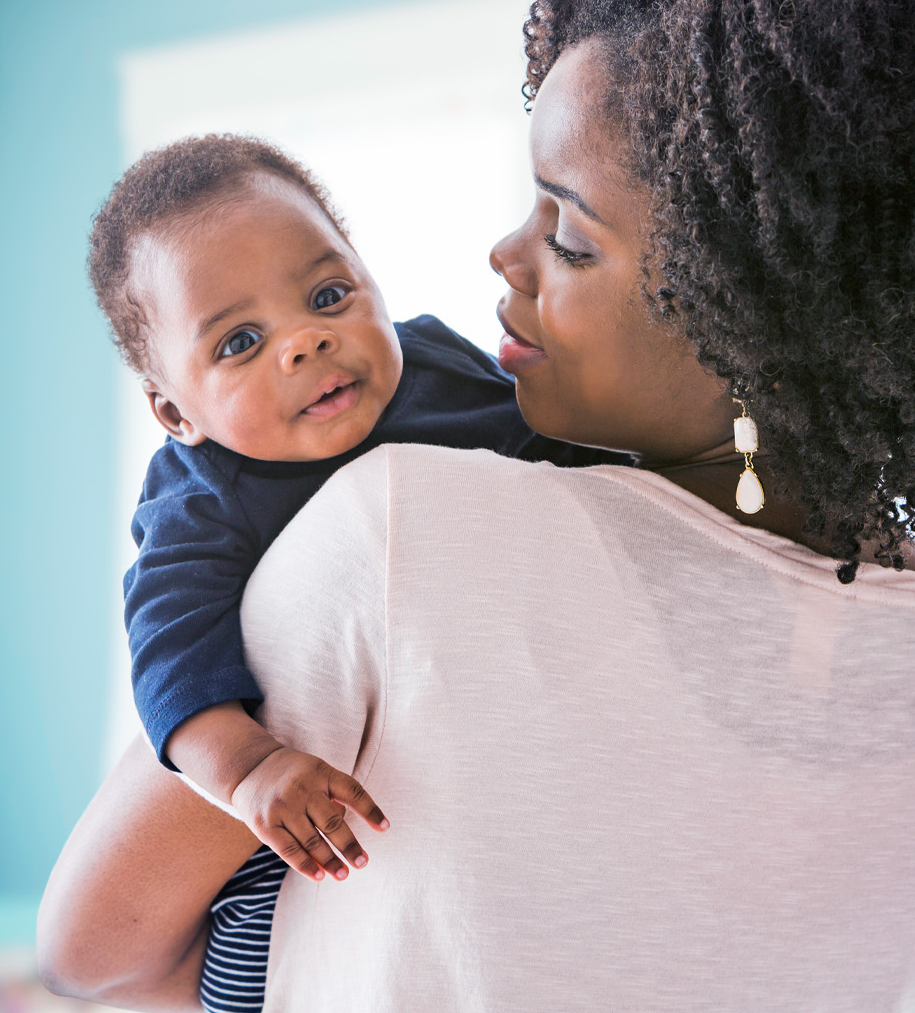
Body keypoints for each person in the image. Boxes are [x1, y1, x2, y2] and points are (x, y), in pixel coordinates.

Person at [38, 0, 915, 1012]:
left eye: (568, 235)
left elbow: (90, 951)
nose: (505, 256)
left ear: (760, 313)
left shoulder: (405, 533)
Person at [87, 134, 619, 1008]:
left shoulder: (441, 364)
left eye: (329, 295)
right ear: (173, 409)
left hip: (470, 776)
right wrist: (251, 772)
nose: (304, 343)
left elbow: (563, 467)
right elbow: (171, 662)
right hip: (295, 822)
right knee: (266, 954)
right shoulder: (201, 490)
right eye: (241, 342)